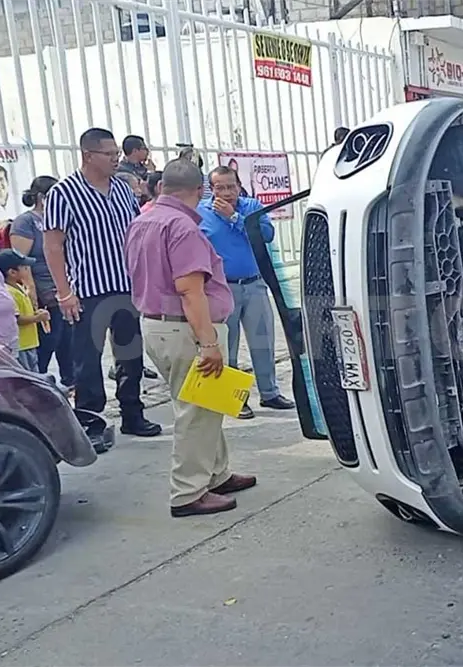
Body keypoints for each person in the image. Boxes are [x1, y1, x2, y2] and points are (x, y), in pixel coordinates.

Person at [125, 158, 255, 517]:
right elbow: (190, 290)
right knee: (196, 413)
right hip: (186, 329)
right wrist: (210, 342)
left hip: (157, 325)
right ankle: (187, 492)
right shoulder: (183, 227)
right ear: (201, 191)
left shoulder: (143, 221)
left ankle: (216, 473)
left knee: (208, 405)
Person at [43, 127, 162, 442]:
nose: (115, 159)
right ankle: (92, 424)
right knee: (87, 363)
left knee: (130, 355)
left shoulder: (123, 190)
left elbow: (136, 234)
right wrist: (63, 292)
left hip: (126, 287)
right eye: (109, 155)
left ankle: (132, 415)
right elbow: (53, 246)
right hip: (87, 291)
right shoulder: (63, 193)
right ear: (88, 155)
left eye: (116, 154)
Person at [198, 166, 295, 419]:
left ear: (239, 185)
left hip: (254, 283)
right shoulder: (202, 213)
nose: (227, 192)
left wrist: (235, 218)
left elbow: (266, 235)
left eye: (231, 186)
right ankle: (233, 398)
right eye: (220, 187)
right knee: (227, 345)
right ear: (211, 189)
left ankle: (270, 392)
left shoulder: (252, 207)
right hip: (221, 287)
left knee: (263, 340)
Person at [10, 176, 74, 387]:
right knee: (48, 341)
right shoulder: (26, 222)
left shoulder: (58, 218)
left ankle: (70, 384)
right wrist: (32, 295)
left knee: (68, 343)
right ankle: (38, 384)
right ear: (41, 197)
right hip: (43, 290)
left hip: (63, 288)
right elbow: (21, 262)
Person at [0, 250, 49, 371]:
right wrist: (37, 318)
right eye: (24, 267)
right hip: (22, 345)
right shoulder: (9, 292)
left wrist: (36, 313)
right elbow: (18, 319)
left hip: (30, 343)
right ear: (12, 272)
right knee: (26, 375)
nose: (28, 270)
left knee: (34, 371)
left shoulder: (20, 287)